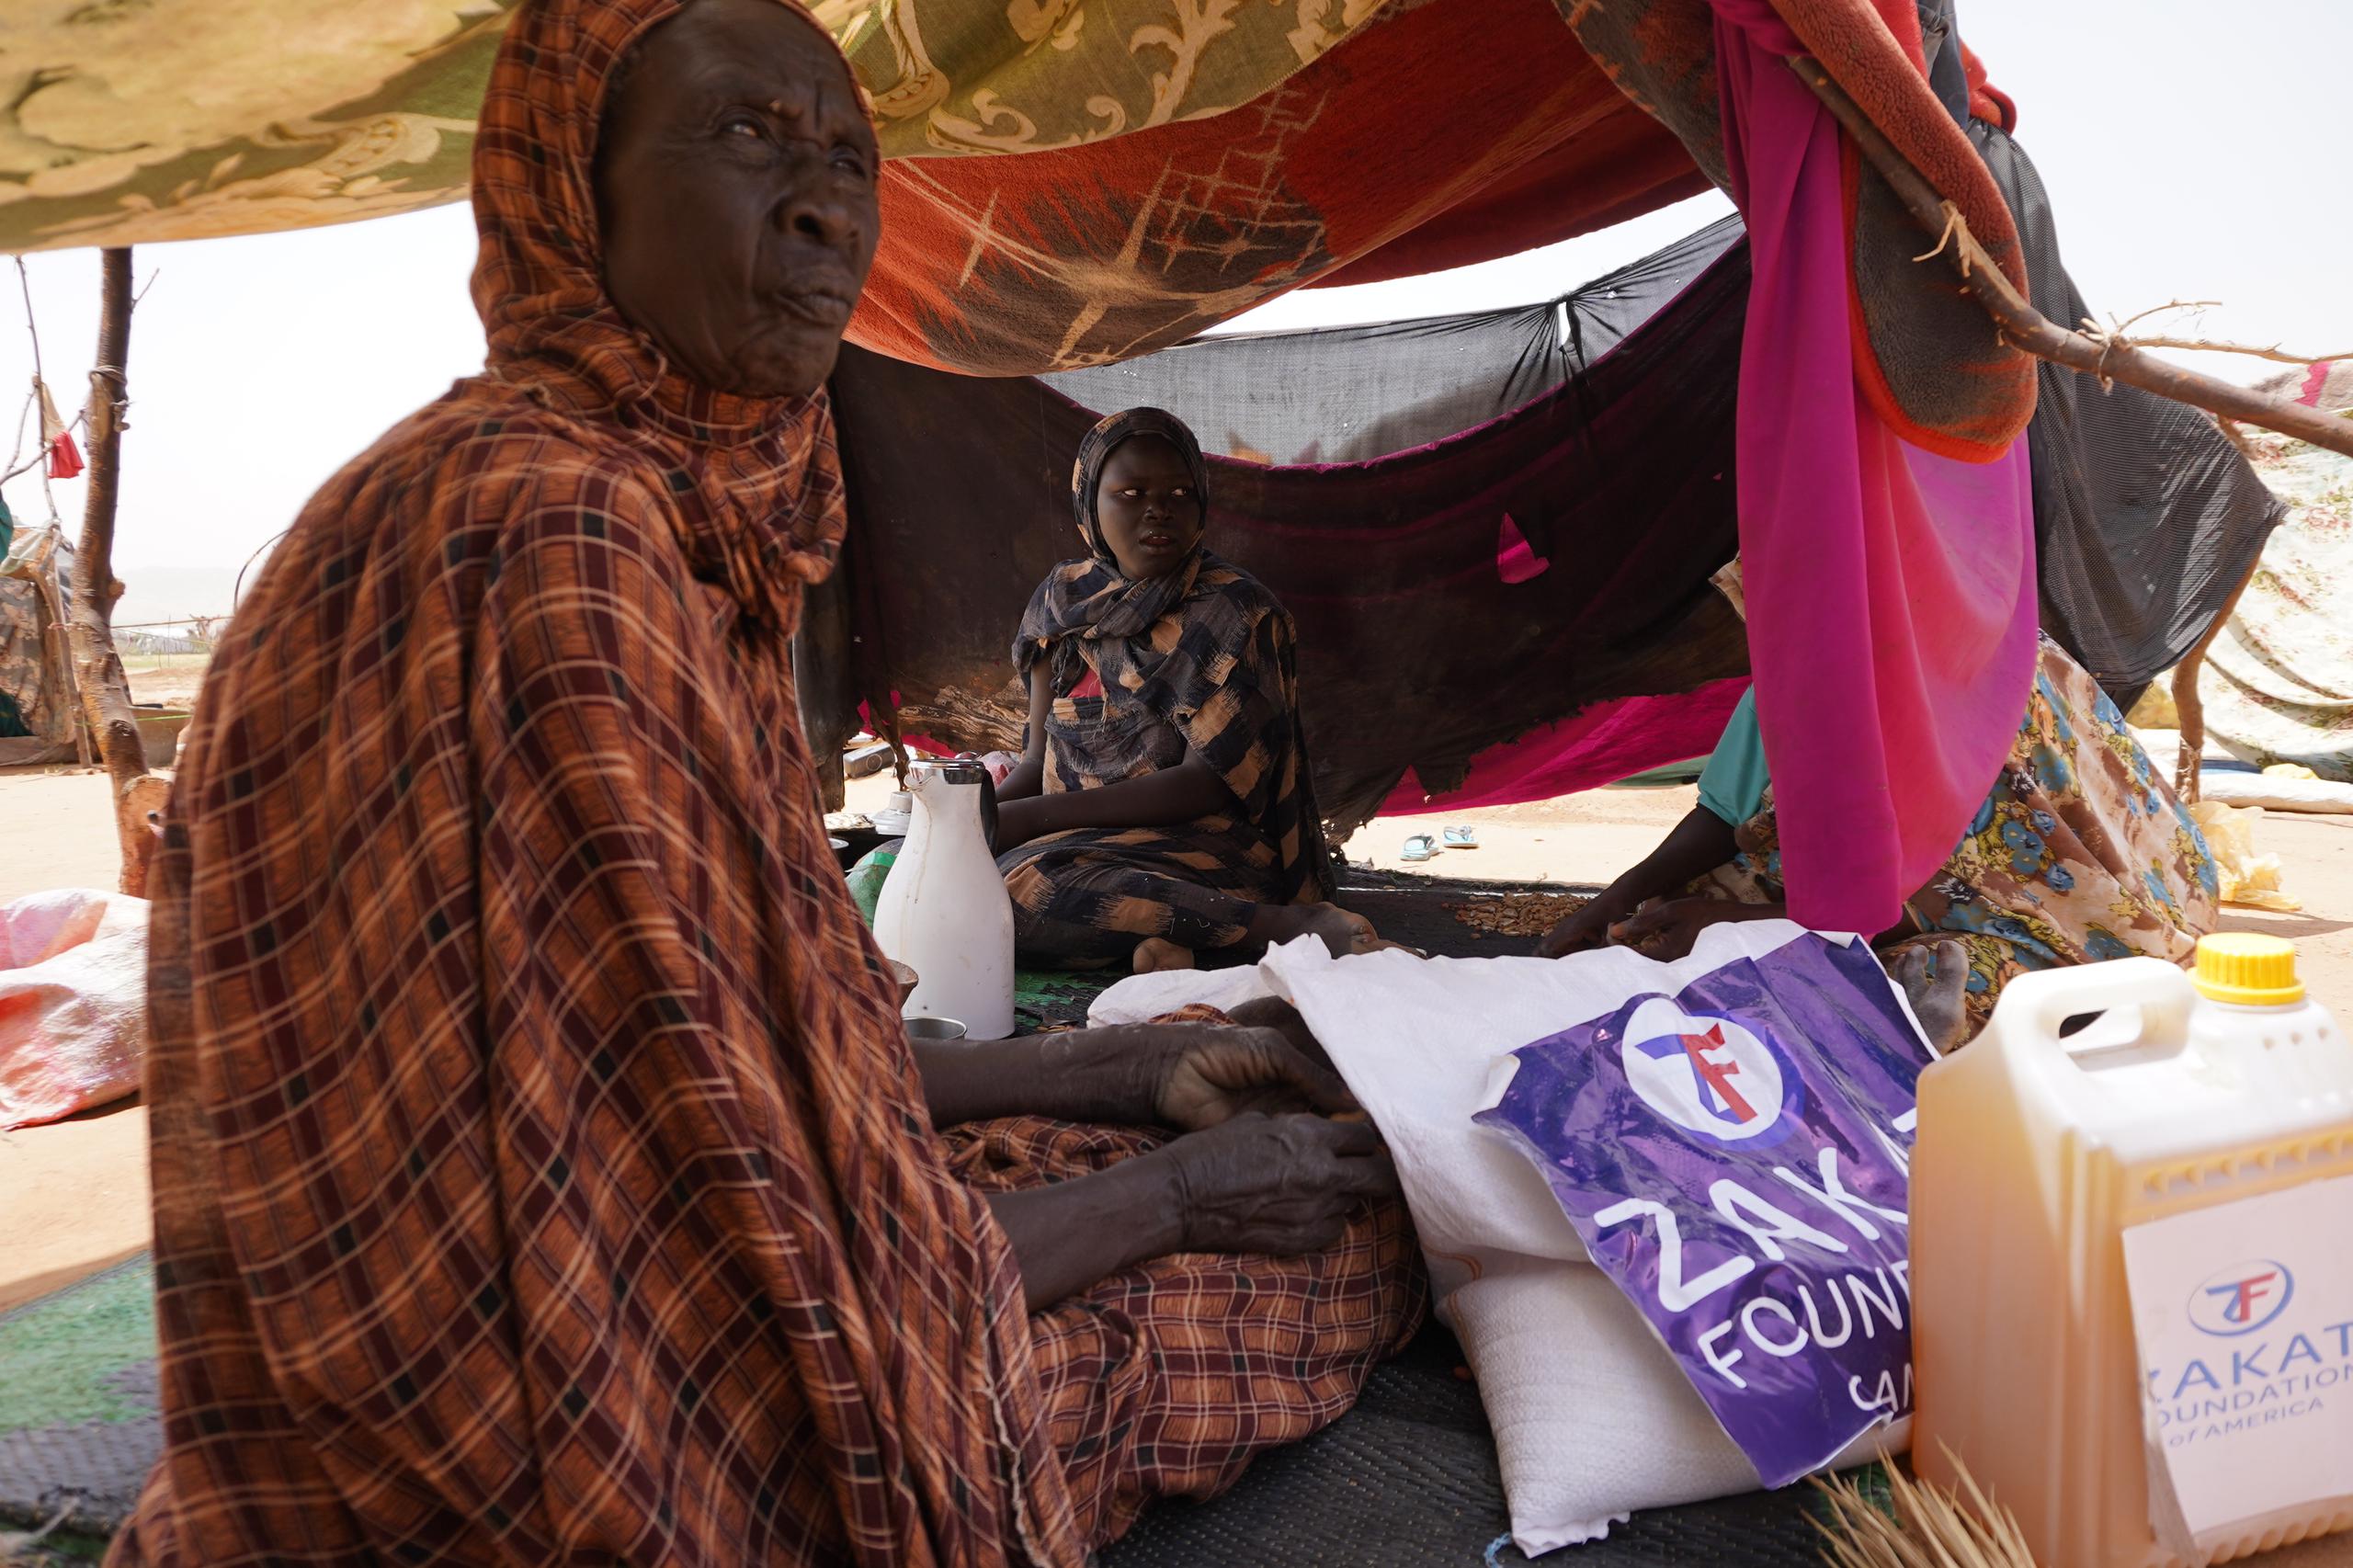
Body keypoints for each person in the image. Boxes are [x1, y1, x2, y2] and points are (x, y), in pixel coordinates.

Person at [112, 4, 1420, 1562]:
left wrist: (1113, 1079)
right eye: (745, 133)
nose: (824, 204)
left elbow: (735, 1075)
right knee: (1327, 1251)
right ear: (568, 187)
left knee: (1160, 1103)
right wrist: (1185, 1201)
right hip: (567, 1432)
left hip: (523, 1332)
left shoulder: (642, 511)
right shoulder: (560, 537)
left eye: (849, 160)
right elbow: (722, 1248)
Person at [1540, 625, 2221, 1049]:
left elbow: (1943, 893)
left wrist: (1739, 924)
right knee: (1657, 942)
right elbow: (1727, 810)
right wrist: (1619, 897)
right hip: (1862, 899)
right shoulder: (1806, 658)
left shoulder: (1983, 689)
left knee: (1923, 985)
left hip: (2049, 927)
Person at [995, 408, 1380, 972]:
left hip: (1202, 848)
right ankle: (1167, 943)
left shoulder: (1233, 612)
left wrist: (1029, 821)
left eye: (1180, 492)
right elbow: (1036, 762)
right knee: (895, 869)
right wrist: (965, 825)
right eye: (1130, 491)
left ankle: (1285, 927)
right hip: (1067, 840)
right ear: (1089, 506)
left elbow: (1207, 785)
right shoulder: (1059, 606)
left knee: (1028, 893)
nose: (1159, 509)